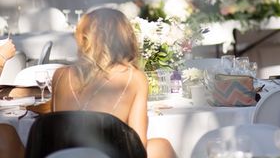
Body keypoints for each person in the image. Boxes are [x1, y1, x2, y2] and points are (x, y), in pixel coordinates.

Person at [3, 8, 176, 158]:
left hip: (65, 154)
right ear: (125, 38)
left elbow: (57, 129)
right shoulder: (134, 78)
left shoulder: (60, 75)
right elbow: (138, 143)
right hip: (110, 153)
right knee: (162, 146)